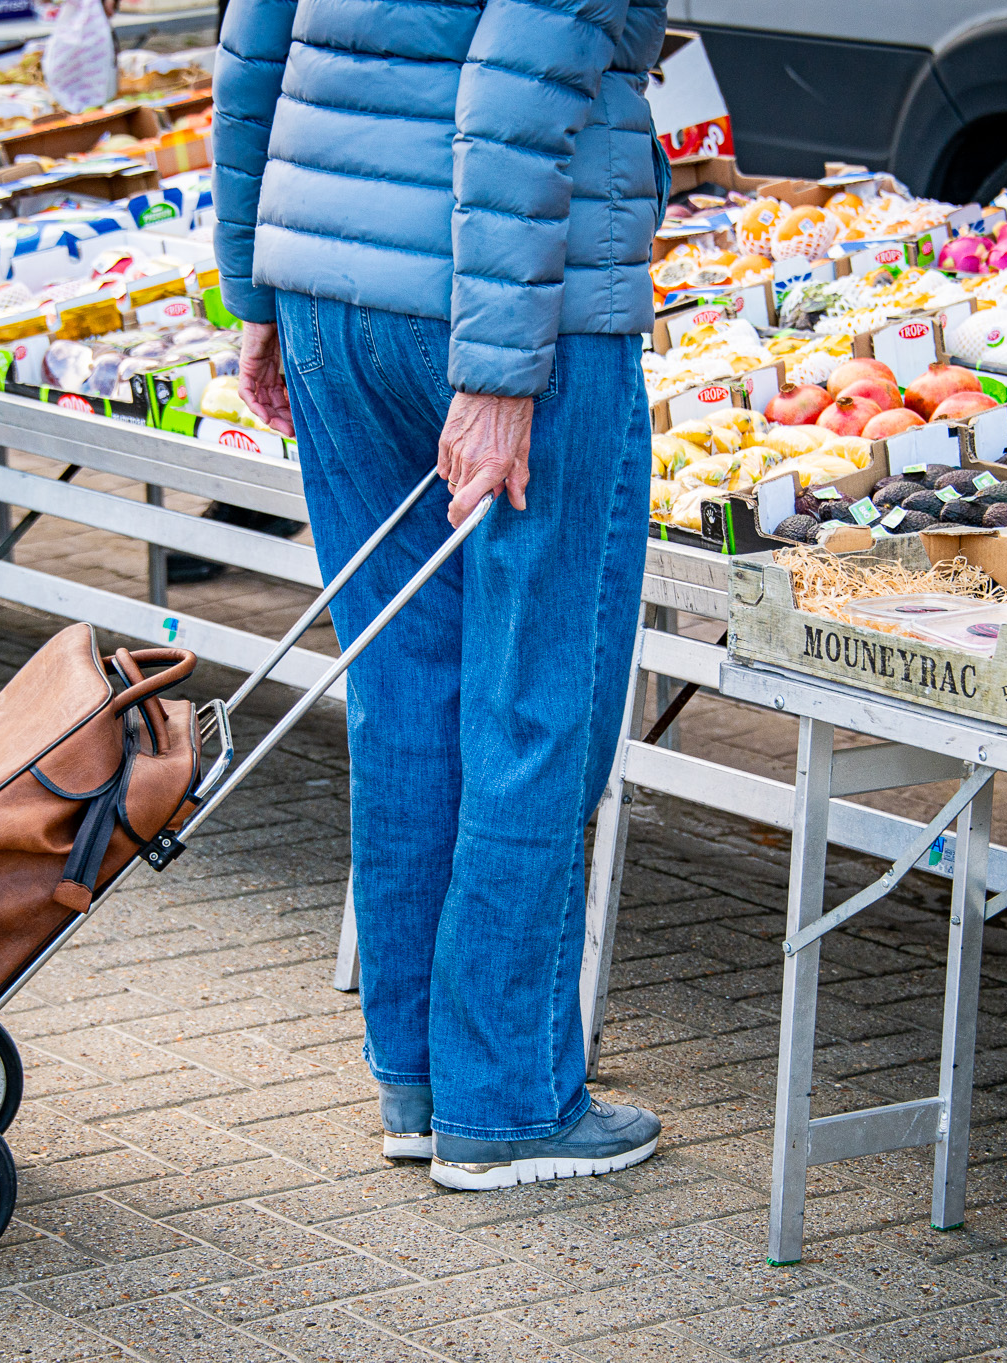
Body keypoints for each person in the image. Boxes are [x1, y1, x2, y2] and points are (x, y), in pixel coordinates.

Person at [213, 0, 671, 1189]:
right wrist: (495, 370)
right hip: (512, 316)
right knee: (533, 701)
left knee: (403, 689)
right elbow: (516, 93)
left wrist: (252, 292)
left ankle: (417, 1077)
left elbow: (252, 44)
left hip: (330, 287)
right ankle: (506, 1103)